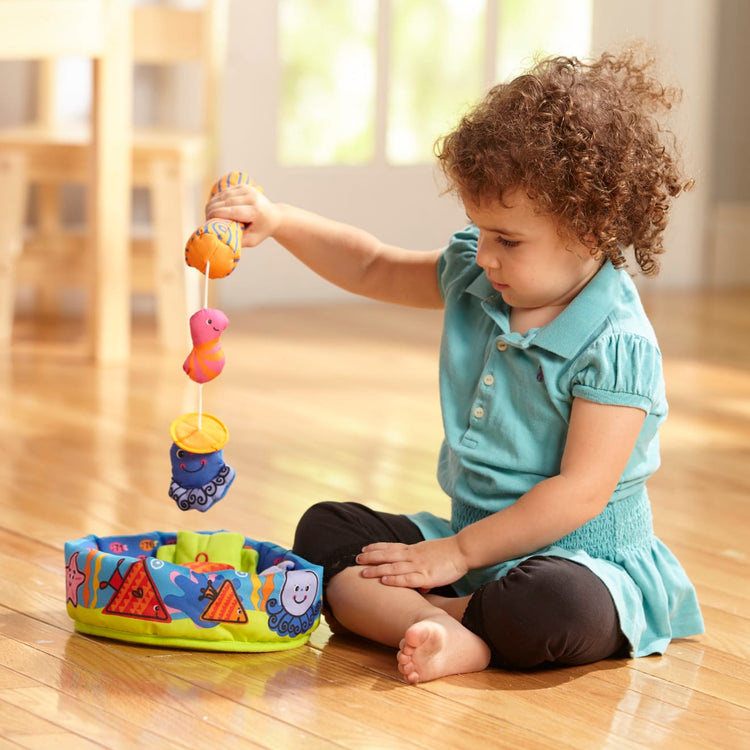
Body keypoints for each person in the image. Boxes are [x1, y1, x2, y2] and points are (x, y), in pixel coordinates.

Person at [206, 48, 704, 684]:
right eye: (480, 230)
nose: (485, 255)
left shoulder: (617, 343)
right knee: (324, 529)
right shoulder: (479, 276)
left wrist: (456, 554)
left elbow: (580, 492)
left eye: (509, 240)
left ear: (593, 226)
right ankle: (448, 628)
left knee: (554, 607)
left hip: (578, 560)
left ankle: (445, 618)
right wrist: (278, 222)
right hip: (467, 545)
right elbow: (372, 265)